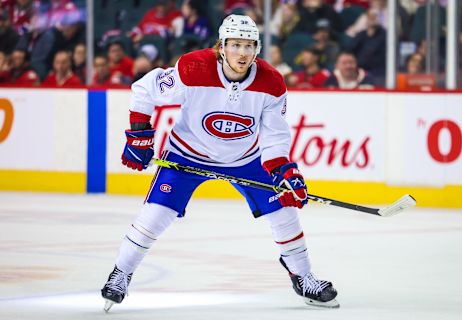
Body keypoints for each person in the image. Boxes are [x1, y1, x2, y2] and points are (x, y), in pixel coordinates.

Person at [101, 14, 339, 312]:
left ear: (257, 48)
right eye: (236, 45)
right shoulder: (193, 67)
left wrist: (284, 170)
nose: (242, 53)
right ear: (222, 46)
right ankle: (121, 273)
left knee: (284, 214)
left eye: (249, 46)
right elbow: (144, 90)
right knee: (154, 217)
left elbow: (275, 133)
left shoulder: (272, 82)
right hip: (187, 154)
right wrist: (139, 135)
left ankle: (304, 277)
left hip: (245, 158)